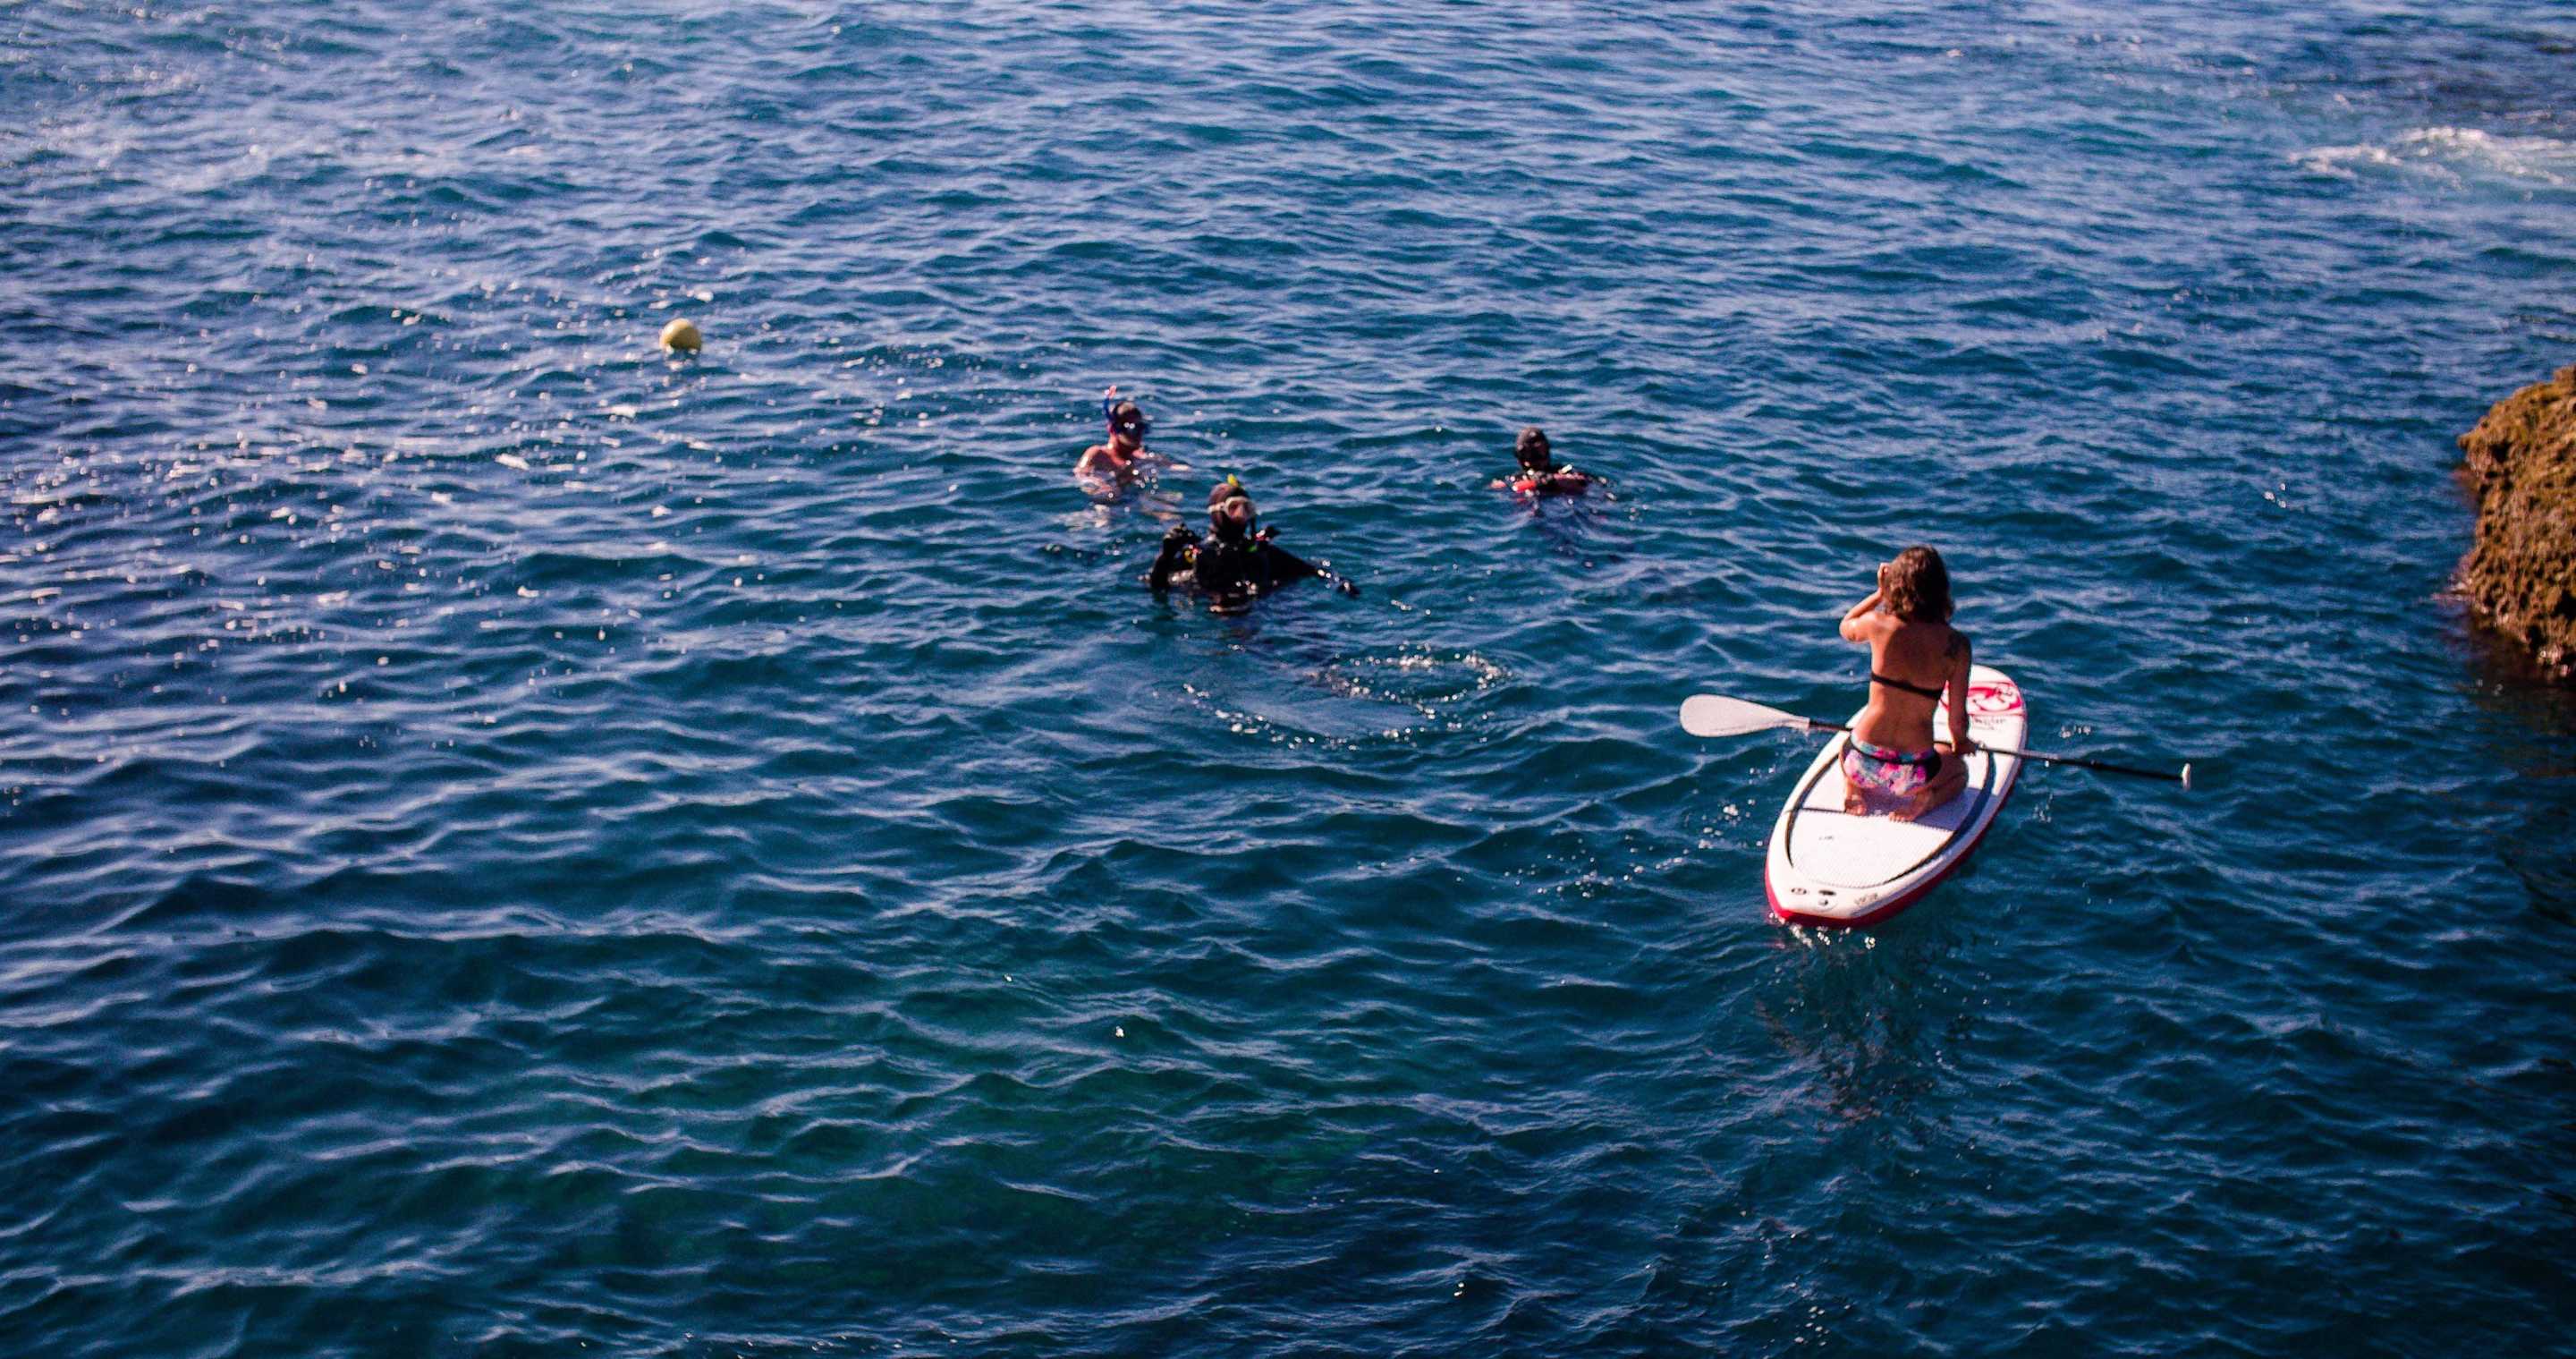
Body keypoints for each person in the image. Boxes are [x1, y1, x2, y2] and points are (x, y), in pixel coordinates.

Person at [1836, 546, 1972, 821]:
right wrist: (1961, 744)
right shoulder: (1957, 646)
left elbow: (1846, 624)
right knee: (1959, 772)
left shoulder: (1877, 624)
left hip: (1858, 760)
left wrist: (1879, 594)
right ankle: (1926, 800)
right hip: (1914, 773)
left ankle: (1853, 787)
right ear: (1941, 591)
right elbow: (1957, 722)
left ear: (1895, 586)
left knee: (1845, 746)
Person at [1149, 475, 1359, 610]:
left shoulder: (1259, 552)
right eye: (1233, 508)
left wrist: (1338, 581)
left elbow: (1310, 569)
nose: (1241, 516)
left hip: (1265, 612)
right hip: (1222, 616)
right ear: (1217, 512)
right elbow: (1157, 587)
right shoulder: (1199, 554)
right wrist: (1165, 556)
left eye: (1247, 509)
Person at [1075, 394, 1156, 492]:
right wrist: (1099, 485)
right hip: (1109, 498)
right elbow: (1081, 475)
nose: (1139, 435)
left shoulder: (1140, 456)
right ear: (1114, 429)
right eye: (1133, 429)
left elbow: (1168, 466)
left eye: (1142, 428)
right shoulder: (1098, 454)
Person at [1491, 427, 1594, 497]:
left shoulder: (1563, 471)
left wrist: (1552, 480)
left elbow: (1586, 482)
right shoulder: (1515, 479)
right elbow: (1498, 487)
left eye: (1542, 452)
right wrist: (1536, 483)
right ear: (1521, 456)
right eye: (1532, 454)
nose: (1538, 459)